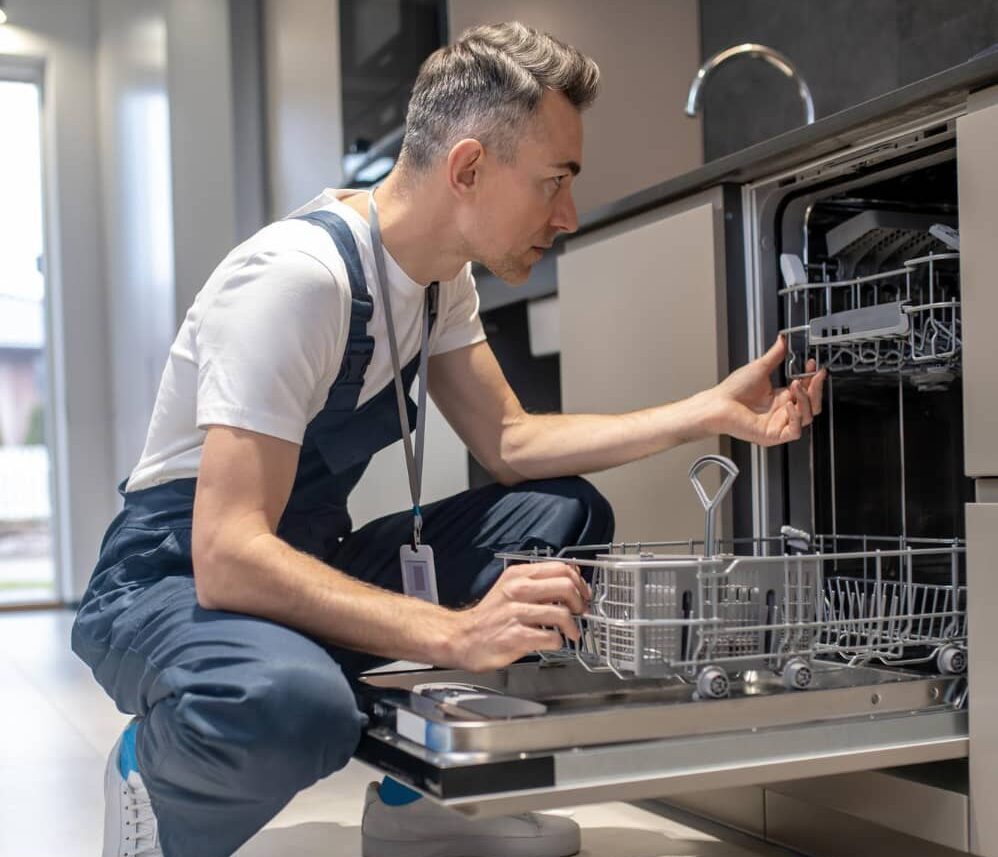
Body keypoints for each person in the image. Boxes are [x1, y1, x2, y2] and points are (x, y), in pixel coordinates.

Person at [72, 21, 826, 857]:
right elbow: (226, 554)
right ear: (469, 168)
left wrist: (706, 412)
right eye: (553, 182)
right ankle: (152, 782)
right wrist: (453, 634)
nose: (567, 214)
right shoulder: (296, 282)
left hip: (302, 556)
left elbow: (510, 440)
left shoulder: (438, 282)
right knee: (292, 704)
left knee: (558, 517)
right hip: (170, 581)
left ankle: (418, 803)